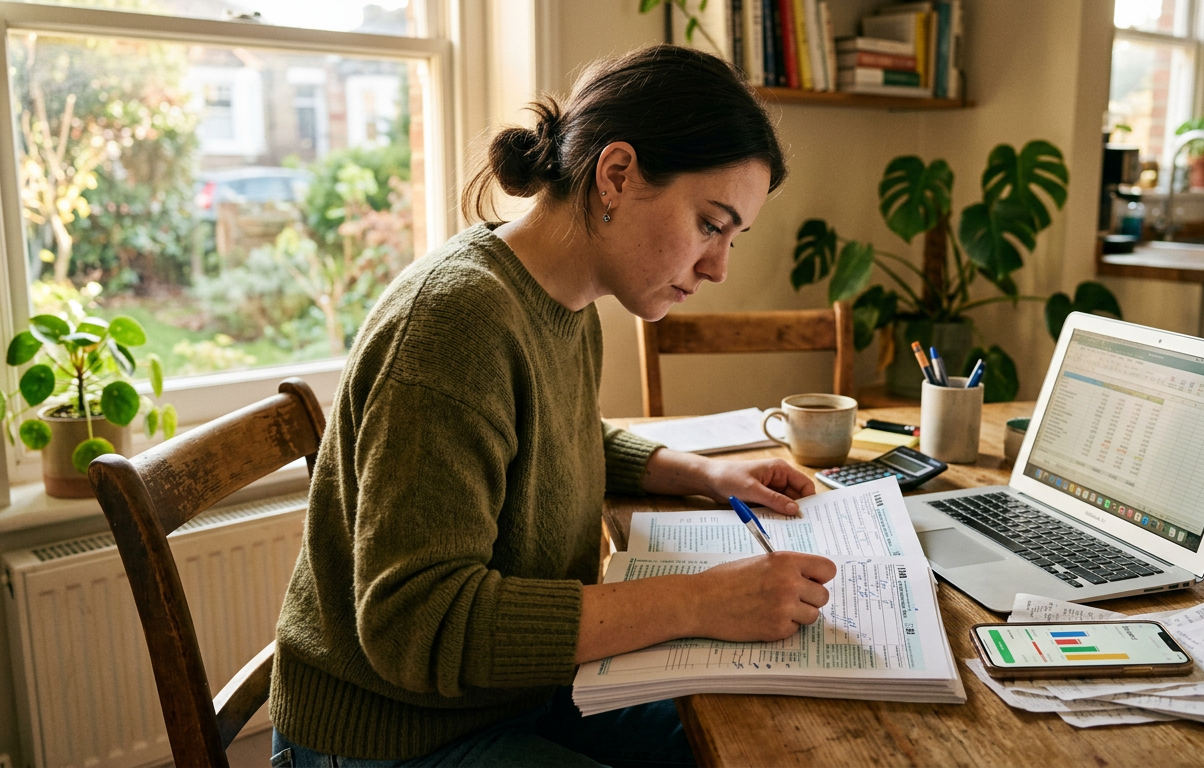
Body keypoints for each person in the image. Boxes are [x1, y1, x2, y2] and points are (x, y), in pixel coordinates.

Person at [268, 44, 837, 767]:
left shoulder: (561, 302)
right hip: (391, 736)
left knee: (764, 738)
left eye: (731, 236)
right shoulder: (457, 323)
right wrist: (701, 601)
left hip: (510, 692)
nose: (719, 266)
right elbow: (417, 624)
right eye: (709, 223)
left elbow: (559, 438)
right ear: (617, 174)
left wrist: (706, 473)